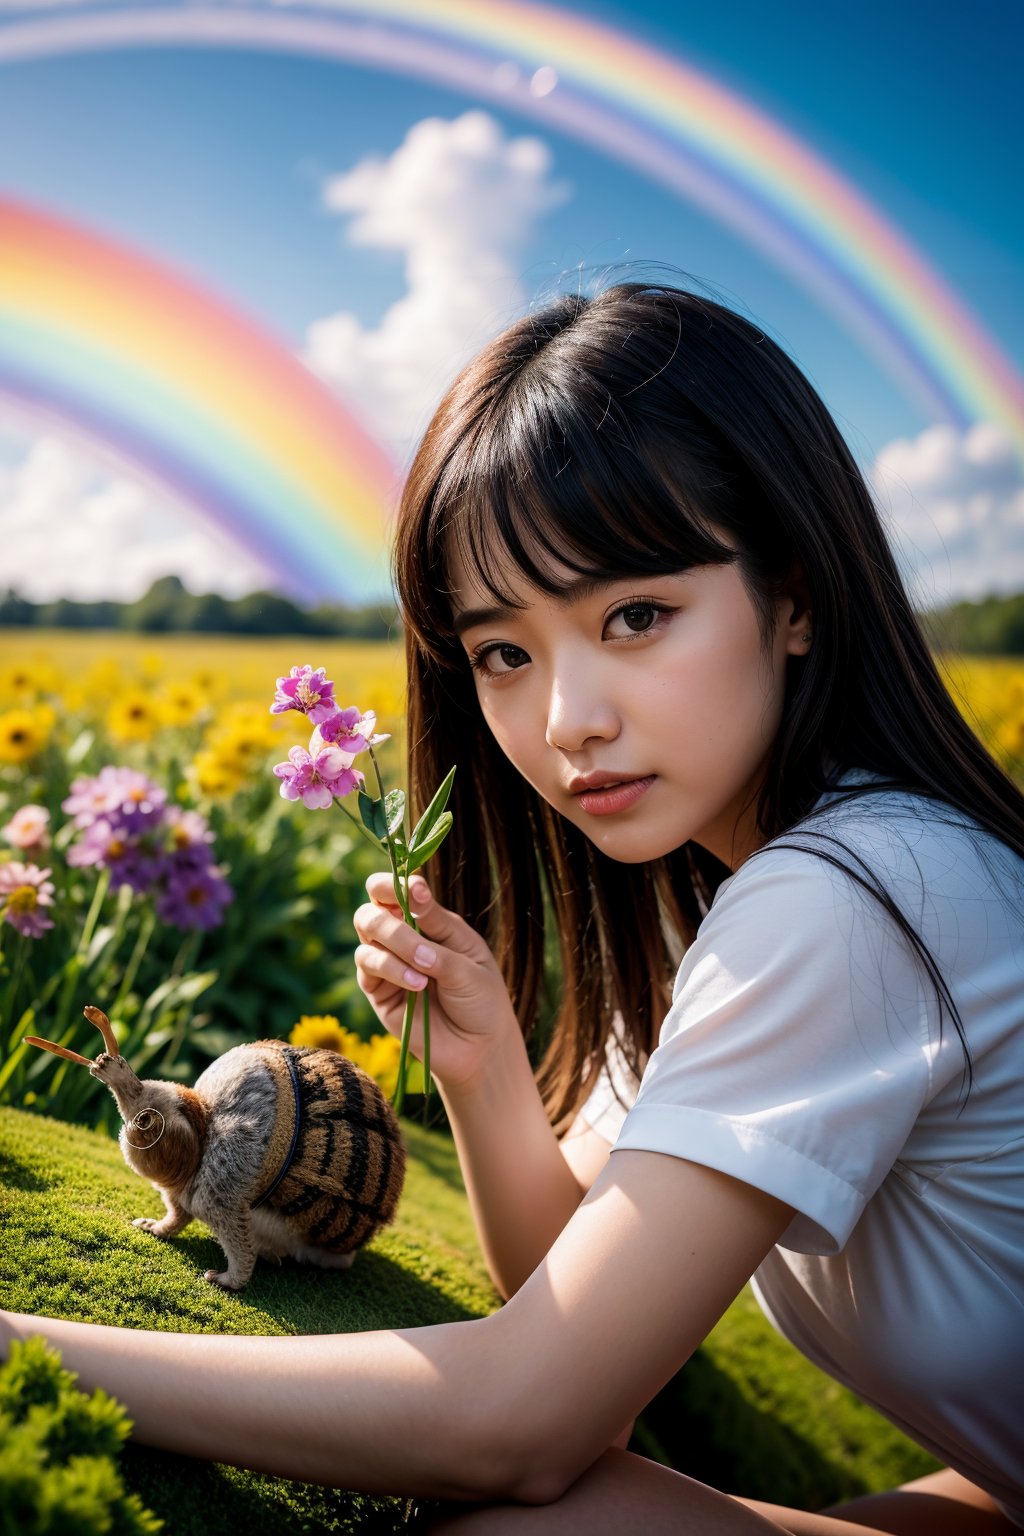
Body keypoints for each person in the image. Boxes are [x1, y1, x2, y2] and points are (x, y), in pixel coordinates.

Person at [3, 282, 1022, 1534]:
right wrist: (483, 1076)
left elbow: (526, 1425)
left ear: (795, 594)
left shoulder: (857, 897)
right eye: (503, 652)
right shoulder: (711, 903)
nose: (563, 720)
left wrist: (20, 1350)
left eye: (635, 616)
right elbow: (576, 1331)